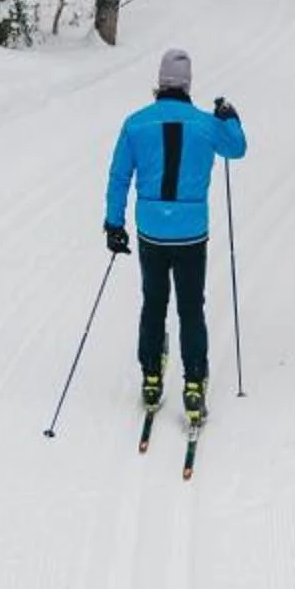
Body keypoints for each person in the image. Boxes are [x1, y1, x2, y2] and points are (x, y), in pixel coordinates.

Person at [102, 48, 245, 426]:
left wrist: (113, 225)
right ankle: (194, 384)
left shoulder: (135, 124)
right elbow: (237, 148)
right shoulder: (204, 124)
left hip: (152, 230)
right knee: (190, 307)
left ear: (159, 83)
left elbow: (119, 177)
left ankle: (151, 377)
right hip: (190, 233)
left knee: (153, 302)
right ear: (188, 84)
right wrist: (229, 118)